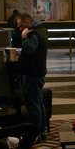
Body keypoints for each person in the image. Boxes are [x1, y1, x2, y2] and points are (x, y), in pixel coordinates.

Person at [17, 13, 48, 141]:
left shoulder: (32, 34)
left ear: (27, 23)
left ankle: (35, 134)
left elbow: (30, 49)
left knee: (33, 105)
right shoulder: (41, 31)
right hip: (39, 72)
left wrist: (24, 37)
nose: (19, 28)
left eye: (20, 25)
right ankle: (42, 130)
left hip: (32, 73)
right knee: (39, 102)